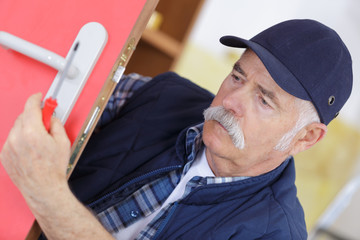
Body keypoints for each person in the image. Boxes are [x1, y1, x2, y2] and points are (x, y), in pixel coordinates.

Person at [0, 19, 352, 240]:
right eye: (237, 76)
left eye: (264, 100)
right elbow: (56, 98)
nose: (230, 101)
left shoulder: (275, 234)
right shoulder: (162, 94)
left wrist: (48, 194)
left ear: (307, 137)